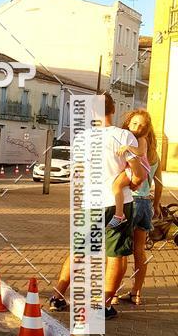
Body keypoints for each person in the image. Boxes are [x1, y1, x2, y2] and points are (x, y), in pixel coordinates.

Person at [49, 92, 146, 320]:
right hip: (118, 203)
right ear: (113, 111)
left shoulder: (83, 138)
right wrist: (127, 184)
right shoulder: (124, 136)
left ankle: (57, 296)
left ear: (93, 112)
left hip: (90, 203)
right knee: (115, 255)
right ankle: (102, 306)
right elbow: (140, 175)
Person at [114, 109, 163, 305]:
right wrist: (157, 204)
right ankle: (136, 293)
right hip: (145, 204)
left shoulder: (129, 149)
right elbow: (158, 183)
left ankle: (114, 293)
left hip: (129, 201)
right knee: (140, 251)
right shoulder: (154, 154)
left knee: (121, 251)